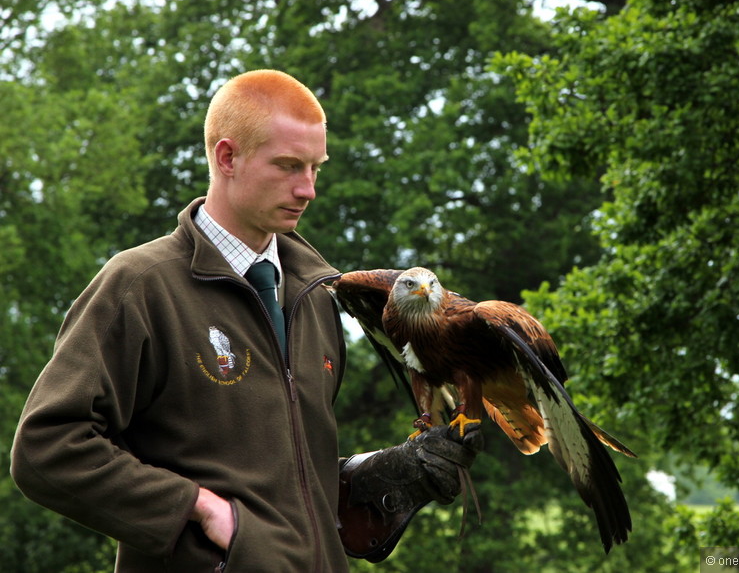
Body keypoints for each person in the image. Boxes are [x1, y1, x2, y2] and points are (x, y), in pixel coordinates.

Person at [10, 69, 480, 572]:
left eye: (315, 168)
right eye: (288, 166)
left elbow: (288, 477)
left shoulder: (317, 294)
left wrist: (378, 478)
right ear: (227, 157)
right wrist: (198, 507)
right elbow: (46, 448)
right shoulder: (142, 286)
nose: (308, 189)